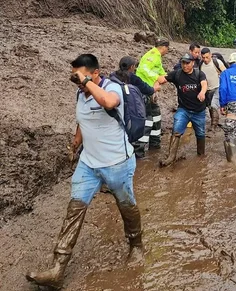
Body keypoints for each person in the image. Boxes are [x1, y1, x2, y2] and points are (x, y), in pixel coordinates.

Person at [26, 54, 143, 289]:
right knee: (74, 209)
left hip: (117, 162)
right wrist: (75, 143)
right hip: (88, 163)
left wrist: (86, 82)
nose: (78, 81)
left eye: (81, 76)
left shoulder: (113, 88)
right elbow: (82, 121)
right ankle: (57, 269)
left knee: (126, 205)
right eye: (76, 77)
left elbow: (109, 104)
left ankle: (137, 246)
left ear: (96, 73)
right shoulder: (81, 92)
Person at [160, 53, 208, 167]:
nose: (185, 65)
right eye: (183, 63)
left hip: (199, 111)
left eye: (187, 63)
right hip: (184, 110)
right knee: (176, 130)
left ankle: (201, 156)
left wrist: (202, 92)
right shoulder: (177, 74)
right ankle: (170, 157)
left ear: (193, 63)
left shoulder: (199, 73)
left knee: (200, 133)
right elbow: (162, 78)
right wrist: (154, 87)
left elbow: (204, 84)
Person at [112, 56, 161, 158]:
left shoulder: (113, 76)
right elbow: (148, 90)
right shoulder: (134, 78)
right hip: (134, 109)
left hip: (119, 108)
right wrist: (155, 87)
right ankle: (139, 152)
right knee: (147, 123)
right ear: (132, 67)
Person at [136, 38, 169, 151]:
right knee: (147, 119)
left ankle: (155, 144)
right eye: (167, 49)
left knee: (156, 115)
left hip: (152, 91)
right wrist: (157, 78)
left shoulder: (158, 57)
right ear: (164, 47)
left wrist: (165, 76)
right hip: (144, 91)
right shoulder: (152, 55)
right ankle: (139, 149)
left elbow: (160, 71)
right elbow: (143, 69)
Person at [200, 47, 226, 131]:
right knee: (209, 107)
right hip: (206, 89)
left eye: (207, 57)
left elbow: (226, 74)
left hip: (217, 88)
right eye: (203, 57)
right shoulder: (201, 64)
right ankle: (213, 121)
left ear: (210, 55)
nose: (205, 59)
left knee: (213, 105)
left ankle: (213, 126)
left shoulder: (217, 62)